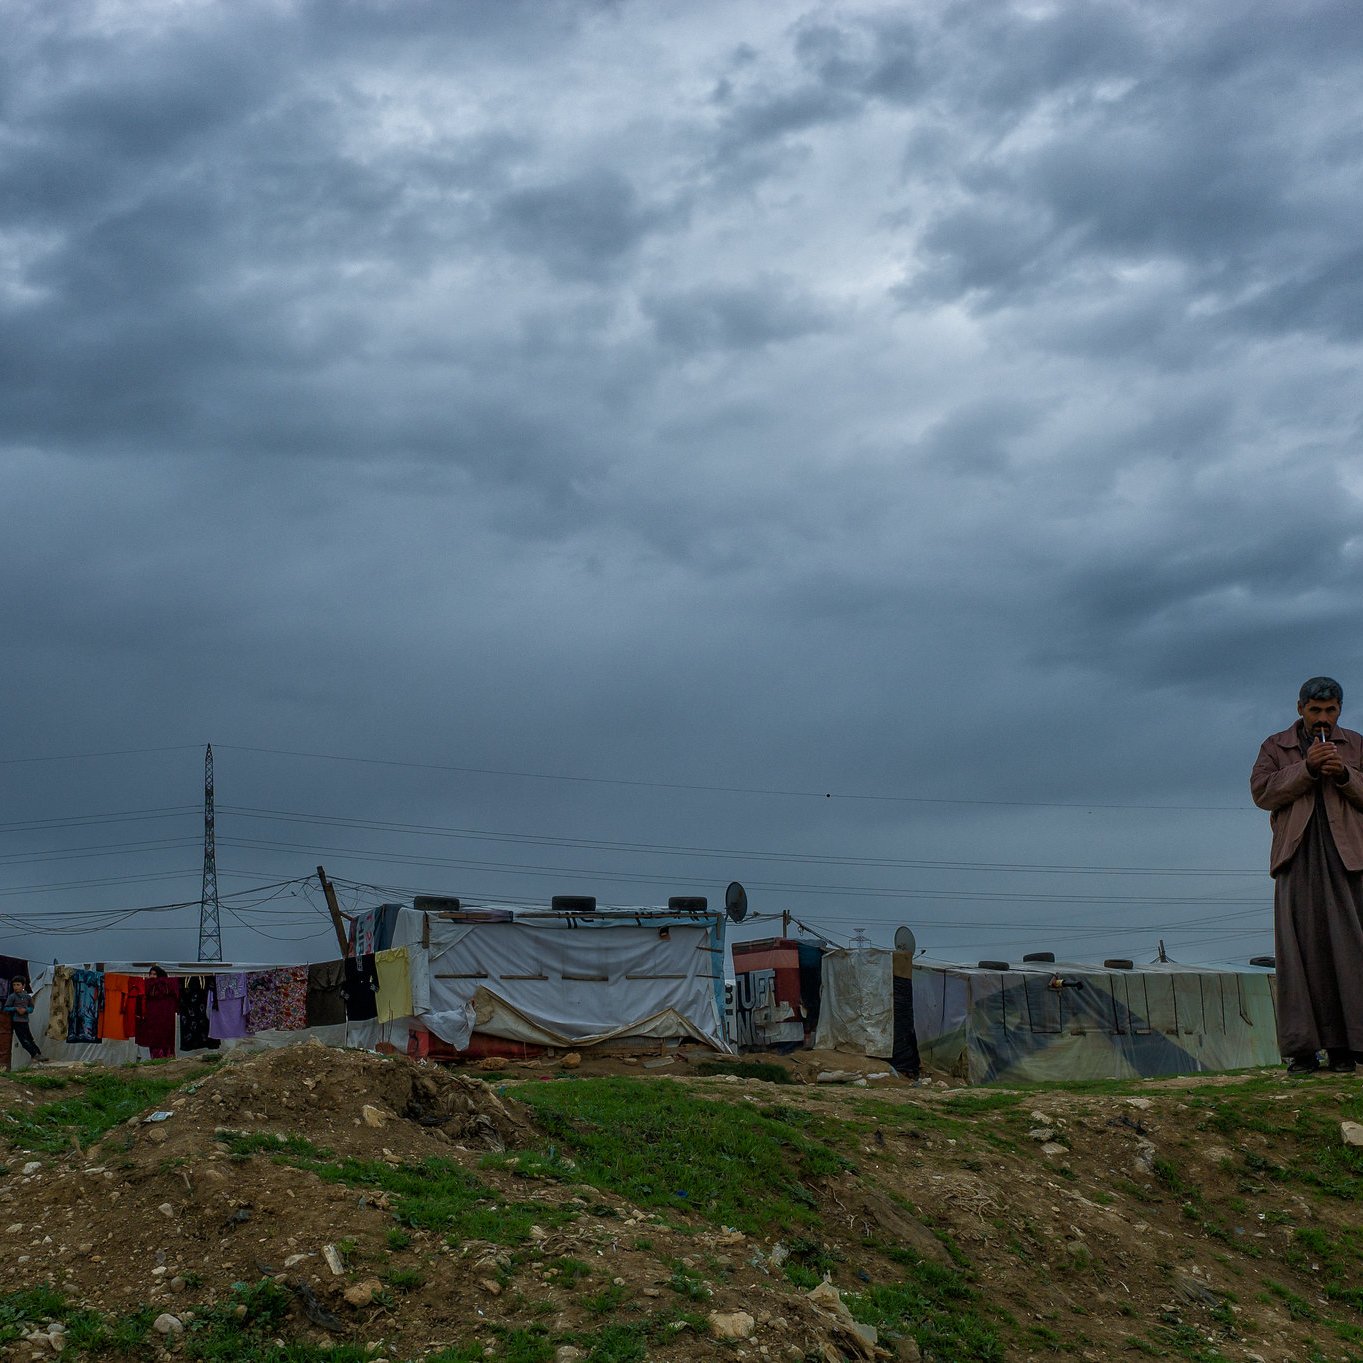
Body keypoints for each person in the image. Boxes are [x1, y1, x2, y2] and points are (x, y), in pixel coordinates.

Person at [1251, 676, 1363, 1074]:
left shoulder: (1356, 744)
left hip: (1349, 859)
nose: (1323, 718)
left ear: (1339, 710)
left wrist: (1346, 775)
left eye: (1331, 710)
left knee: (1349, 953)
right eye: (1315, 710)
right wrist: (1307, 769)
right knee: (1298, 954)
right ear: (1300, 708)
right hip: (1296, 859)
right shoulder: (1275, 746)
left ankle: (1346, 1048)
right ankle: (1302, 1051)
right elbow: (1262, 792)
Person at [3, 975, 45, 1064]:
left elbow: (31, 1009)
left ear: (23, 986)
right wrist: (16, 1009)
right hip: (16, 1022)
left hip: (25, 1021)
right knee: (23, 1041)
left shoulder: (27, 997)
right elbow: (6, 1008)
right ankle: (34, 1054)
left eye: (18, 985)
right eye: (14, 985)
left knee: (30, 1039)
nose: (16, 987)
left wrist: (25, 1010)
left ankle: (39, 1054)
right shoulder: (12, 997)